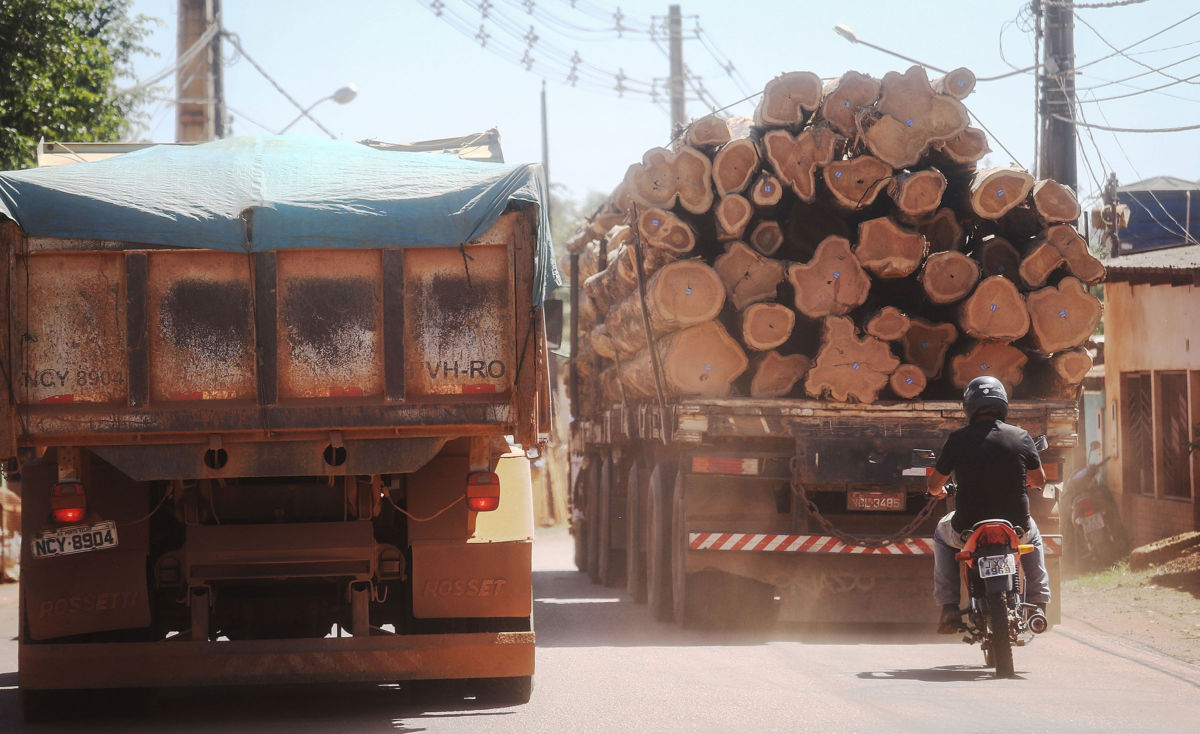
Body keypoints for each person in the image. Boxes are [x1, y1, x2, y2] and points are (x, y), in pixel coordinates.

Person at [926, 376, 1051, 634]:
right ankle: (1038, 603)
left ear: (969, 406)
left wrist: (938, 491)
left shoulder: (958, 439)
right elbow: (1039, 480)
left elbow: (933, 485)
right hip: (1016, 528)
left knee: (941, 532)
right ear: (1002, 404)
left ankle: (949, 608)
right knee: (1035, 537)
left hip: (966, 530)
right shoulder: (1021, 437)